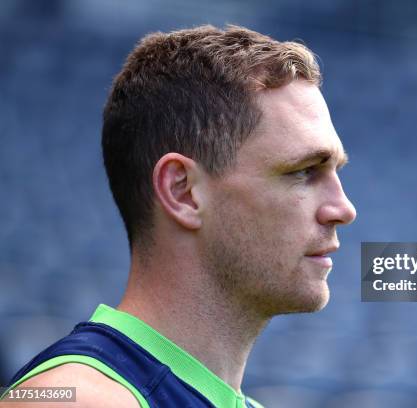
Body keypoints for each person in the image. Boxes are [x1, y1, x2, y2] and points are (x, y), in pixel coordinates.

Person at [0, 24, 356, 408]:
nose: (344, 209)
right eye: (303, 171)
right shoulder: (73, 400)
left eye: (336, 170)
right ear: (182, 192)